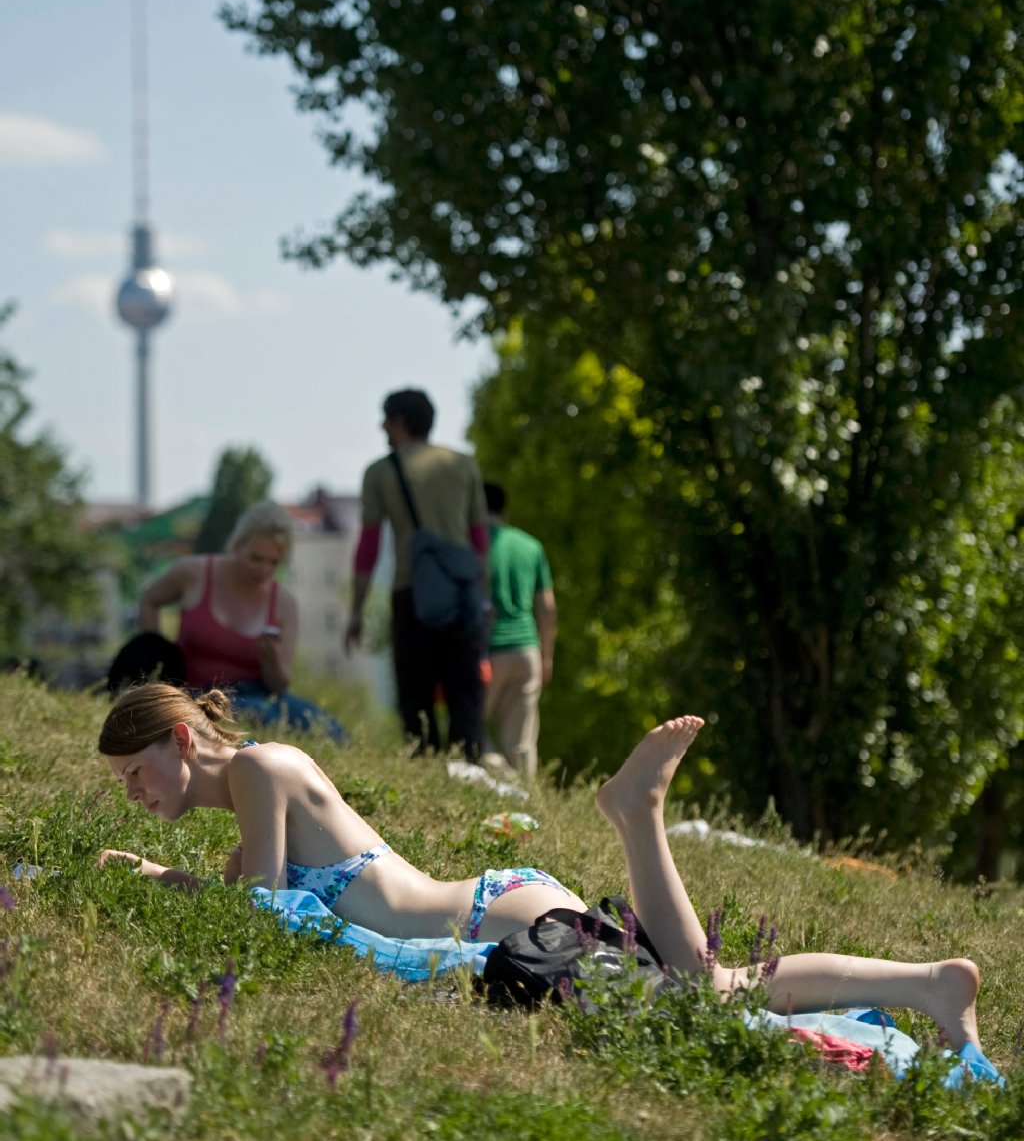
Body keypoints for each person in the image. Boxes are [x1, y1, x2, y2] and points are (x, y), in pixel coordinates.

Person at [96, 689, 984, 1055]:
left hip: (499, 924)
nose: (133, 793)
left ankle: (640, 818)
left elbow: (260, 912)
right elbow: (259, 902)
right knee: (713, 988)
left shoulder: (258, 770)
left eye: (137, 773)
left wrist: (154, 878)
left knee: (706, 997)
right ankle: (934, 986)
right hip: (498, 911)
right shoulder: (247, 823)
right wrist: (174, 875)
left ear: (181, 741)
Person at [345, 389, 489, 760]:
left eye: (386, 418)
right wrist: (483, 594)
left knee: (416, 694)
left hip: (412, 592)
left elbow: (369, 546)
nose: (382, 426)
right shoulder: (463, 464)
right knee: (465, 692)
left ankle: (424, 764)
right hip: (461, 593)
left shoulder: (380, 472)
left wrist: (357, 610)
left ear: (401, 422)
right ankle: (469, 768)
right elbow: (478, 539)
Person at [137, 501, 344, 739]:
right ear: (237, 545)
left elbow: (280, 685)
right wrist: (156, 656)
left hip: (259, 693)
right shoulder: (194, 573)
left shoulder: (284, 603)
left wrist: (272, 658)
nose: (264, 569)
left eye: (274, 562)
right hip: (201, 692)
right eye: (256, 559)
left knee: (328, 728)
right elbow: (149, 600)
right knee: (262, 714)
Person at [482, 481, 557, 776]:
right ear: (504, 510)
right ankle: (524, 802)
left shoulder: (470, 544)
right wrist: (546, 655)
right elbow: (547, 607)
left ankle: (494, 775)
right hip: (527, 650)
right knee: (522, 743)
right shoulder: (531, 546)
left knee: (470, 732)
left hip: (487, 653)